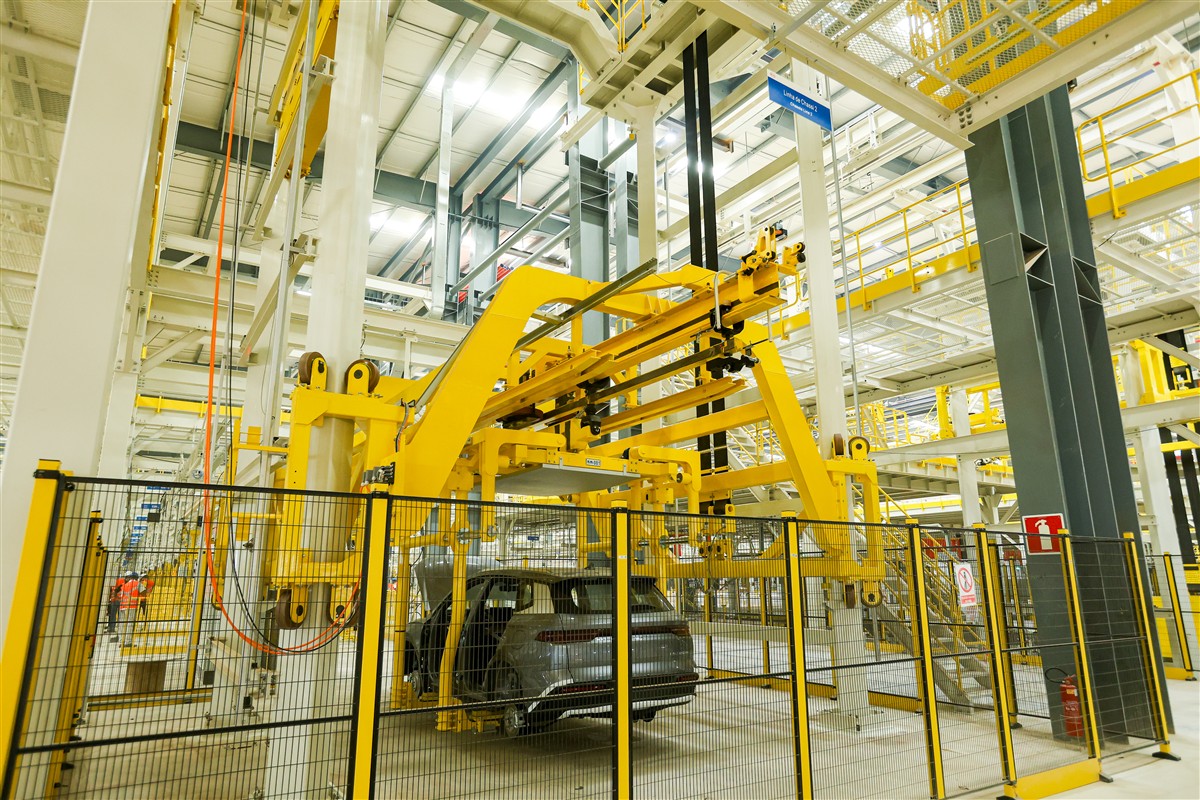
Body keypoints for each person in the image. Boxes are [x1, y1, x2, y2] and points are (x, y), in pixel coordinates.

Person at [119, 572, 140, 646]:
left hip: (122, 606)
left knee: (122, 624)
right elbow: (144, 593)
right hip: (131, 606)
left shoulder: (124, 585)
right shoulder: (138, 584)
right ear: (136, 578)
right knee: (130, 624)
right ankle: (128, 642)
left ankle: (121, 641)